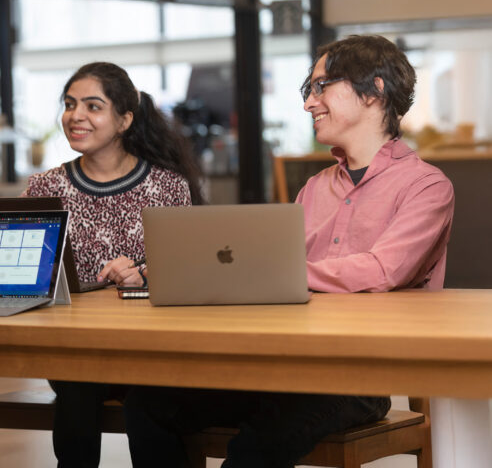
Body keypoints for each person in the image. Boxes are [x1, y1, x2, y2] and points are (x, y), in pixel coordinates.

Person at [123, 35, 455, 467]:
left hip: (357, 379)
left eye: (321, 87)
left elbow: (382, 270)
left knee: (256, 445)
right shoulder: (315, 188)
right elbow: (268, 271)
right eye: (308, 90)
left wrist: (276, 270)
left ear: (374, 91)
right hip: (284, 366)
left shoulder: (426, 187)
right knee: (149, 403)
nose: (308, 103)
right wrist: (177, 270)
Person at [24, 61, 204, 467]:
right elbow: (35, 280)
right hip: (76, 349)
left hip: (153, 349)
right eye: (70, 105)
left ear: (124, 119)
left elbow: (189, 274)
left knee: (151, 398)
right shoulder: (43, 188)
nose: (75, 116)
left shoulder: (167, 185)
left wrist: (143, 275)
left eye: (92, 106)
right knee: (78, 380)